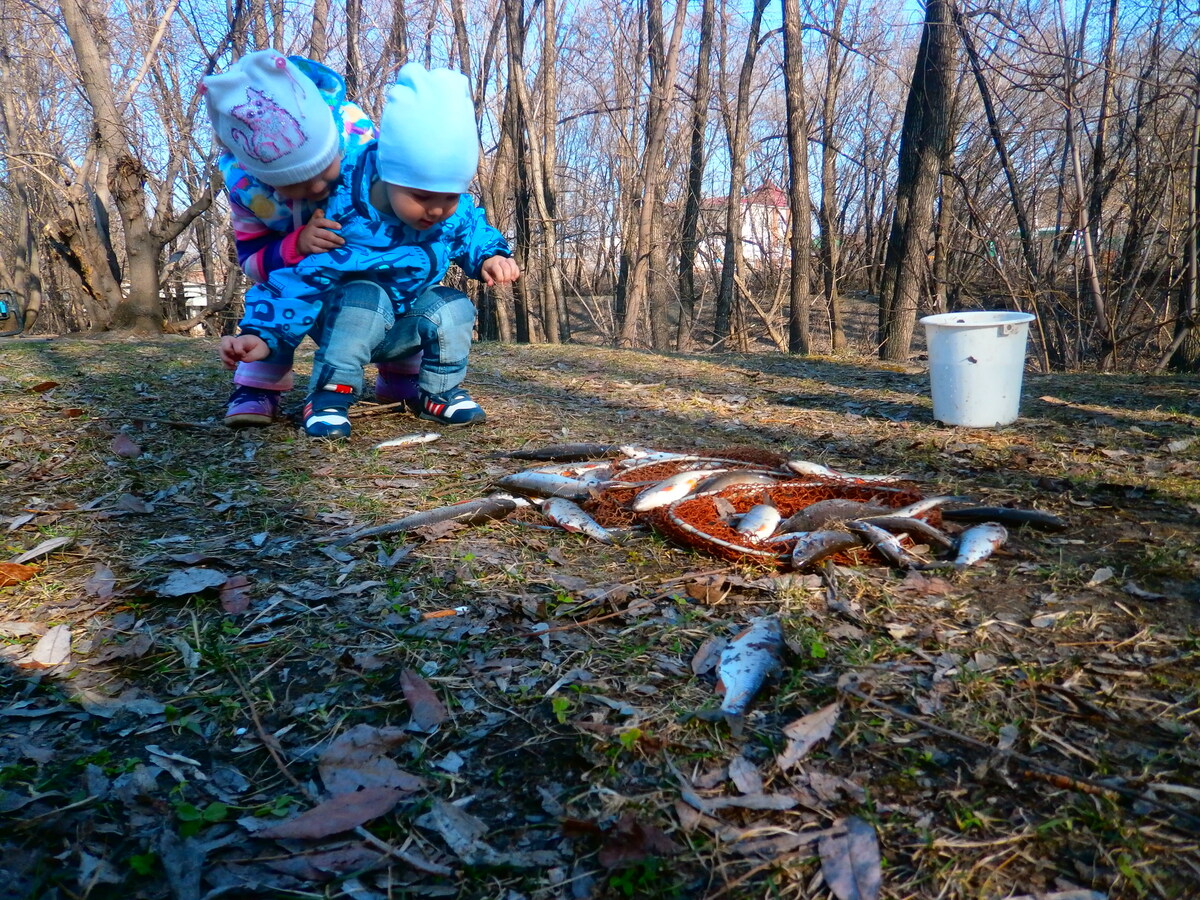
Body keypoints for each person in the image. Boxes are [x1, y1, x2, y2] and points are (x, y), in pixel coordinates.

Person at [219, 63, 520, 439]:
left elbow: (471, 228)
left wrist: (491, 256)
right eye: (423, 196)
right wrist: (265, 335)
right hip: (341, 321)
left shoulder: (448, 215)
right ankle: (330, 395)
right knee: (367, 293)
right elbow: (300, 278)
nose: (438, 209)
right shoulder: (342, 213)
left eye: (451, 195)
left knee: (452, 305)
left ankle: (440, 392)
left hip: (400, 322)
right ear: (387, 173)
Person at [204, 50, 422, 427]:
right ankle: (259, 385)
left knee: (403, 290)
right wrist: (295, 246)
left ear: (338, 145)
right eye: (293, 186)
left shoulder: (367, 151)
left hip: (369, 265)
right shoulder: (248, 191)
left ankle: (400, 372)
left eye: (324, 173)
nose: (315, 190)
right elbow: (252, 260)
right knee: (278, 299)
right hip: (300, 276)